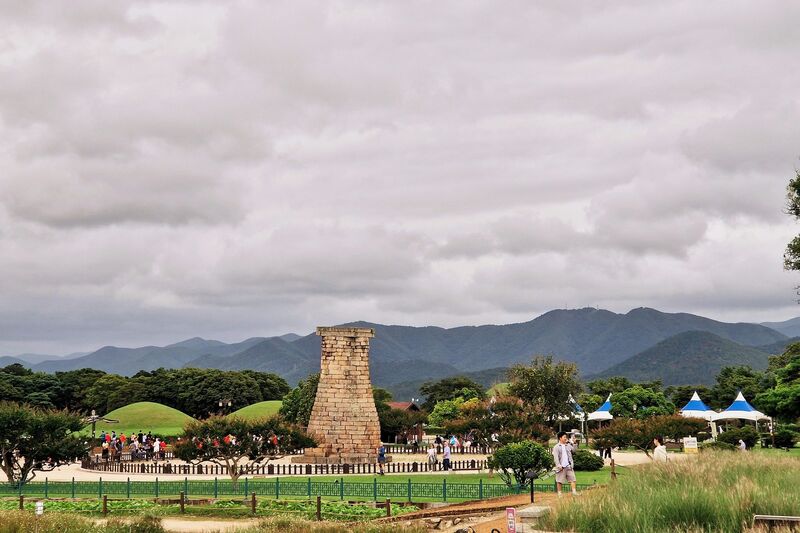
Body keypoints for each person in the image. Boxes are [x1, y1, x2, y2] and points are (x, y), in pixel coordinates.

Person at [553, 431, 577, 497]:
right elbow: (556, 457)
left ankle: (574, 492)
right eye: (564, 437)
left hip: (569, 466)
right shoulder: (556, 447)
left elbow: (574, 451)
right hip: (561, 467)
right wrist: (558, 465)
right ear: (560, 438)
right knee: (559, 481)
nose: (566, 438)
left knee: (573, 479)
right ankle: (560, 493)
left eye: (566, 437)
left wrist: (574, 443)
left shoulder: (568, 445)